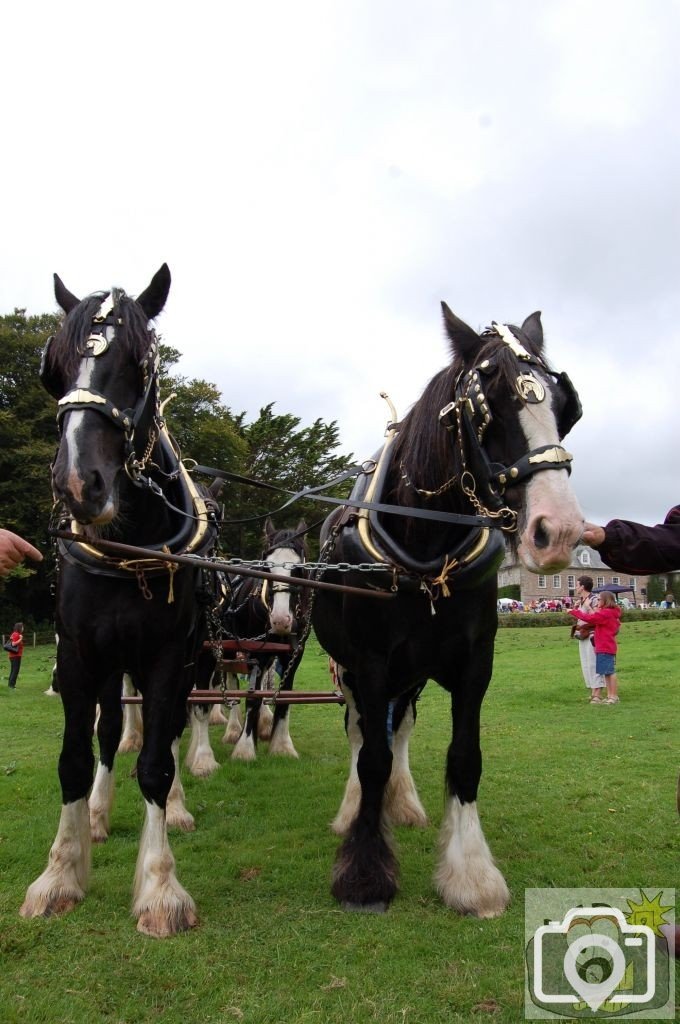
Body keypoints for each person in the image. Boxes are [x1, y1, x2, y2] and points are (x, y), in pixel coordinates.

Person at [568, 591, 622, 704]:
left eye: (599, 599)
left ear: (605, 601)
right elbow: (595, 616)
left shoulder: (606, 613)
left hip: (605, 646)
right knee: (606, 672)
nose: (597, 602)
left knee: (610, 672)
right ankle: (610, 695)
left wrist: (573, 611)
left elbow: (590, 618)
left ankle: (614, 696)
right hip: (604, 646)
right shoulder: (609, 613)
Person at [570, 576, 604, 703]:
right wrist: (575, 609)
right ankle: (593, 691)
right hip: (582, 634)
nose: (576, 587)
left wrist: (587, 608)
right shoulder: (581, 600)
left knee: (593, 663)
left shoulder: (594, 599)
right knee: (586, 663)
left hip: (591, 634)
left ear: (583, 586)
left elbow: (597, 616)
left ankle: (598, 694)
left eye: (577, 585)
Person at [6, 621, 24, 689]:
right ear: (19, 628)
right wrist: (20, 639)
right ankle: (12, 686)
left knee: (13, 670)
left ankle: (10, 685)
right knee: (15, 671)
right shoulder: (16, 634)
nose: (23, 628)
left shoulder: (14, 634)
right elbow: (13, 644)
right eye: (22, 627)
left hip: (13, 656)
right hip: (15, 656)